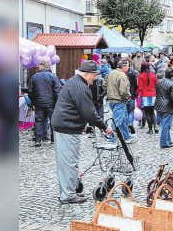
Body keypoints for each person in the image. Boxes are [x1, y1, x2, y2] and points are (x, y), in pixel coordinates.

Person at [51, 60, 113, 204]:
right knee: (70, 162)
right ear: (86, 74)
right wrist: (105, 127)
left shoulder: (74, 82)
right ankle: (68, 195)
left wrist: (83, 123)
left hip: (64, 125)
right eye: (94, 75)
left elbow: (79, 109)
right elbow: (89, 112)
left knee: (65, 162)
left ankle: (67, 192)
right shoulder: (80, 86)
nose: (96, 78)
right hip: (67, 128)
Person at [28, 60, 61, 146]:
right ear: (48, 67)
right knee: (53, 121)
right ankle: (54, 139)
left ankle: (38, 140)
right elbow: (57, 91)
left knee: (39, 121)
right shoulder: (53, 76)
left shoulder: (35, 77)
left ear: (40, 67)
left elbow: (30, 91)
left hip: (39, 103)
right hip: (51, 103)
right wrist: (59, 102)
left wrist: (33, 102)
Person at [103, 60, 134, 143]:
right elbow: (124, 90)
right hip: (119, 100)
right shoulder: (122, 75)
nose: (128, 68)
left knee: (123, 119)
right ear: (123, 66)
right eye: (127, 66)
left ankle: (127, 136)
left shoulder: (111, 73)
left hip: (112, 100)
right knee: (117, 120)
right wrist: (127, 97)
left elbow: (104, 85)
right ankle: (112, 140)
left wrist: (110, 91)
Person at [155, 68, 173, 148]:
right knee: (166, 125)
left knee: (165, 124)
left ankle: (168, 141)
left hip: (159, 104)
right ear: (172, 75)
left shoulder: (159, 82)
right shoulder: (172, 84)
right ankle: (164, 143)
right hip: (168, 106)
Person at [137, 61, 158, 134]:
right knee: (152, 112)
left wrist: (136, 92)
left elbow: (140, 87)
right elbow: (156, 84)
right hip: (153, 94)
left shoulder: (141, 76)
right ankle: (155, 126)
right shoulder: (153, 75)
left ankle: (150, 129)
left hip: (145, 95)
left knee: (147, 112)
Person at [126, 62, 139, 134]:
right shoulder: (132, 73)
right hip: (132, 94)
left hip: (124, 95)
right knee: (131, 110)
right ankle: (130, 123)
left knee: (125, 111)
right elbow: (135, 84)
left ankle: (126, 125)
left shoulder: (120, 73)